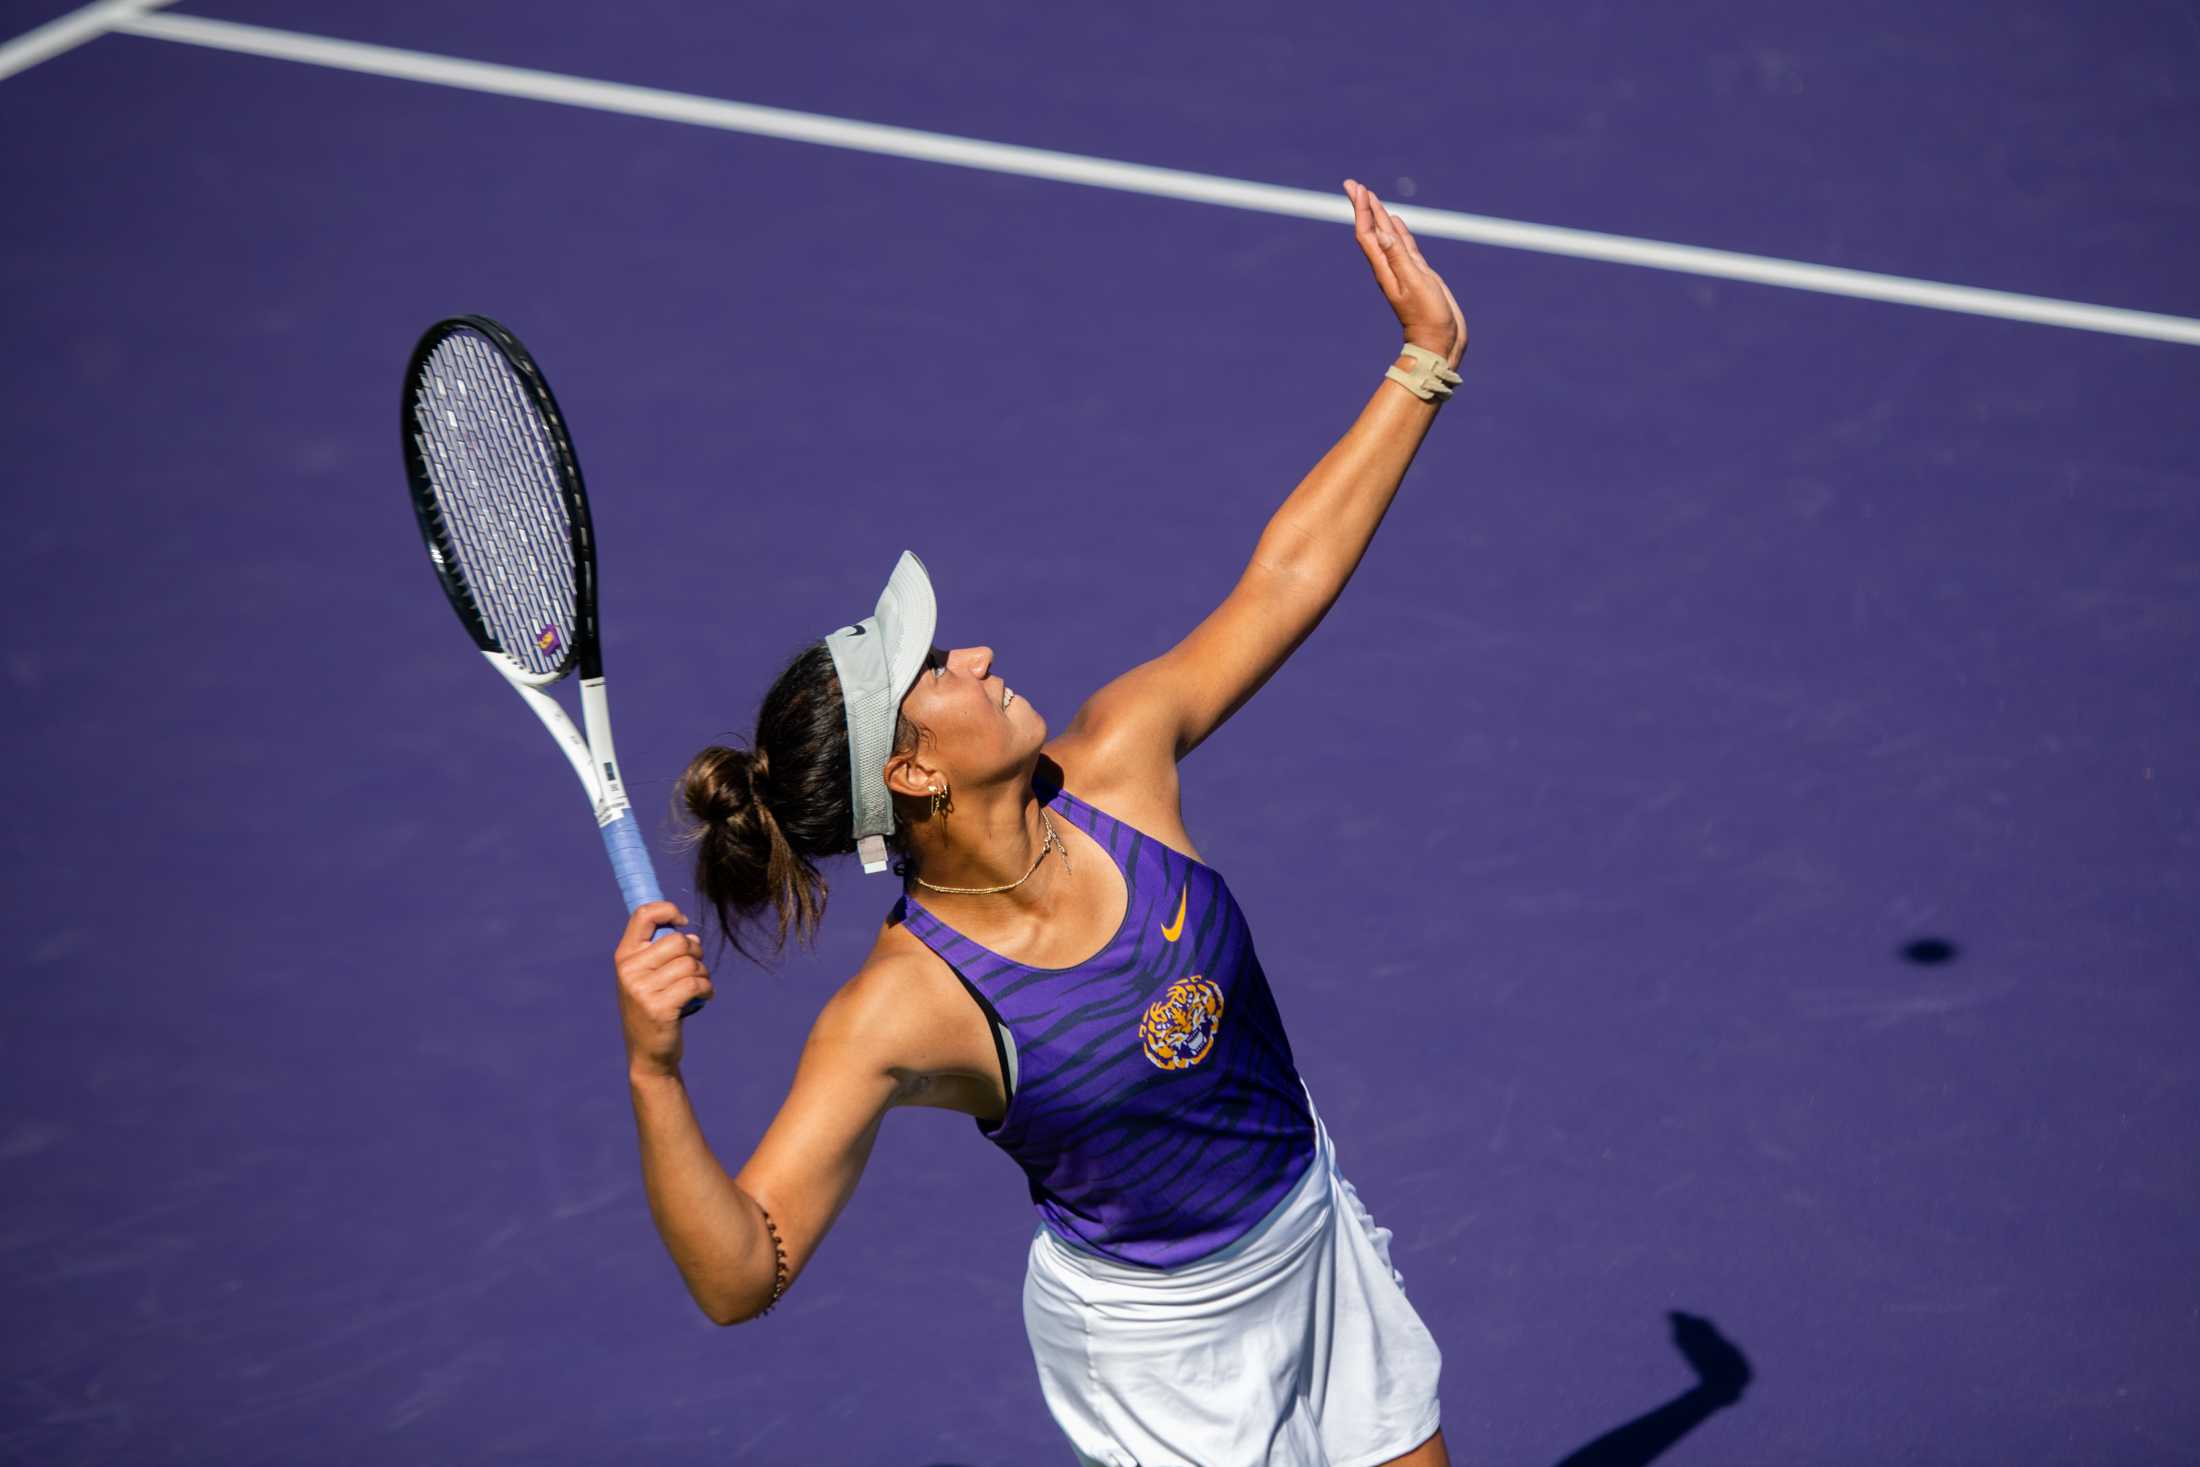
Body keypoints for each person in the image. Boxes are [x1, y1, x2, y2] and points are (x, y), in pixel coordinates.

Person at [614, 178, 1466, 1467]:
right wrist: (654, 1074)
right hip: (1162, 1351)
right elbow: (745, 1270)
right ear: (911, 777)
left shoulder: (1119, 758)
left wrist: (1424, 363)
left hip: (1308, 1225)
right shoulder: (902, 1011)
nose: (978, 653)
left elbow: (1283, 578)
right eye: (939, 672)